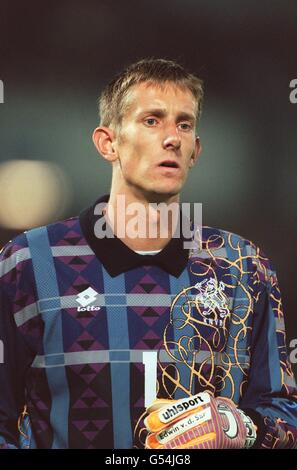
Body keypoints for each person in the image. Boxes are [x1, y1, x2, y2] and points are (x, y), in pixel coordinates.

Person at [0, 58, 296, 449]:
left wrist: (245, 428)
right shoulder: (29, 262)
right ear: (109, 143)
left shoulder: (243, 266)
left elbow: (285, 413)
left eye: (184, 124)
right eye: (152, 120)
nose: (171, 137)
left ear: (196, 151)